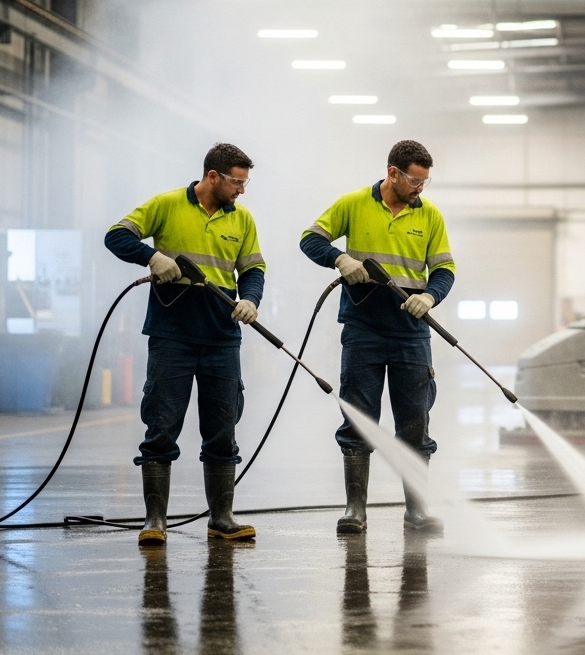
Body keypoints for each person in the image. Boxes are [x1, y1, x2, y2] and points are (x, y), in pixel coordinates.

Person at [105, 143, 265, 545]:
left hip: (221, 339)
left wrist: (250, 298)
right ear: (213, 177)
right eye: (237, 182)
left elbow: (254, 268)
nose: (242, 190)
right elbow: (116, 236)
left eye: (245, 183)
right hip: (171, 336)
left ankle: (222, 518)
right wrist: (150, 257)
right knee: (161, 426)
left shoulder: (242, 220)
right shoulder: (166, 205)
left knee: (222, 429)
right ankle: (154, 522)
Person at [300, 140, 455, 534]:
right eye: (415, 180)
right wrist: (339, 258)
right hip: (363, 329)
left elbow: (444, 269)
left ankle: (416, 510)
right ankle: (356, 510)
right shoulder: (353, 204)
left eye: (425, 181)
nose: (421, 187)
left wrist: (429, 295)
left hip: (411, 334)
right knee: (358, 417)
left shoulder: (431, 216)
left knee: (414, 422)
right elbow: (310, 238)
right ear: (393, 173)